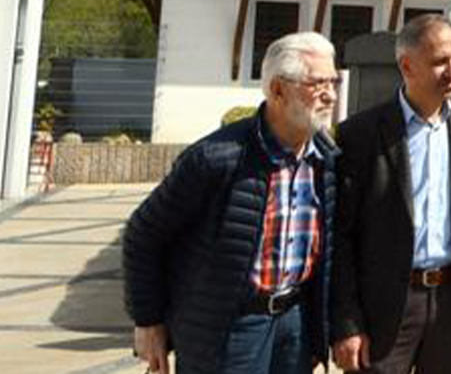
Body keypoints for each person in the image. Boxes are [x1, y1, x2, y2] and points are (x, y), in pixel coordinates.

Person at [124, 32, 340, 374]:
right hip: (231, 326)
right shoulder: (216, 158)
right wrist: (148, 321)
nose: (330, 95)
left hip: (294, 322)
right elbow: (143, 235)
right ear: (278, 90)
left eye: (334, 81)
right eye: (316, 83)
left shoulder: (326, 161)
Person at [331, 14, 451, 374]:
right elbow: (341, 238)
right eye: (441, 61)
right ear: (407, 65)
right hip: (384, 308)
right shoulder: (360, 135)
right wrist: (347, 324)